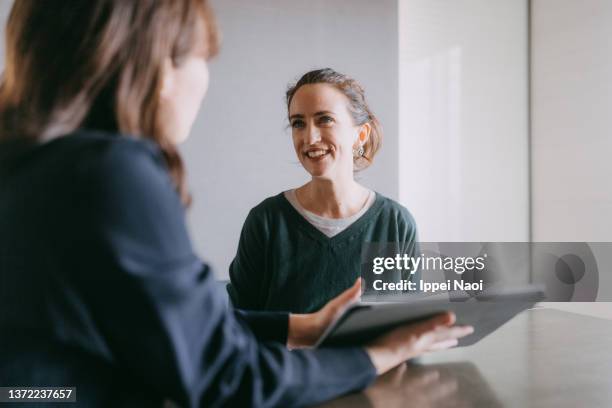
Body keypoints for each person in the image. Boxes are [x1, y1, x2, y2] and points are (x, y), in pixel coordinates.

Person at [0, 1, 473, 407]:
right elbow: (223, 373)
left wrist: (300, 327)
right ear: (161, 66)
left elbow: (182, 327)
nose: (204, 81)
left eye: (324, 120)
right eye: (203, 58)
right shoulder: (111, 172)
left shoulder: (35, 163)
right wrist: (375, 357)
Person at [227, 68, 420, 314]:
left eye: (324, 119)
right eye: (298, 123)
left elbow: (406, 330)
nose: (309, 137)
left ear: (360, 134)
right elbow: (237, 327)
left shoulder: (394, 223)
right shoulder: (267, 221)